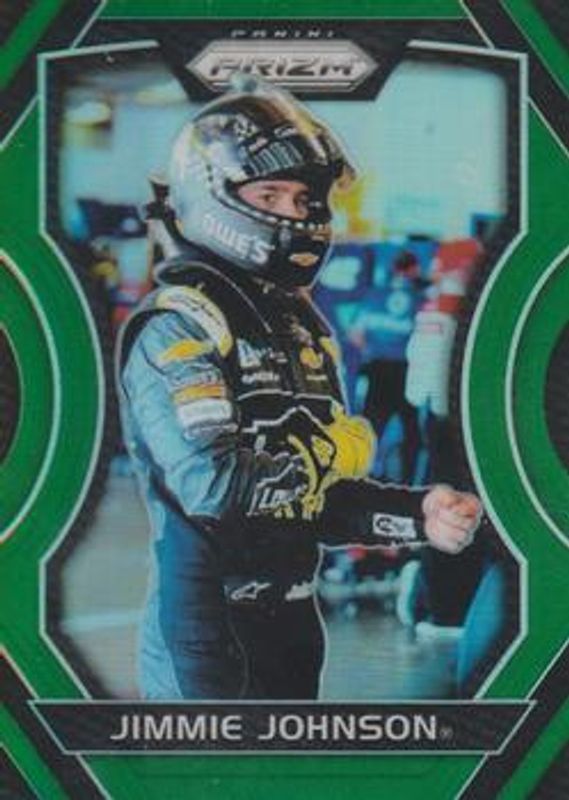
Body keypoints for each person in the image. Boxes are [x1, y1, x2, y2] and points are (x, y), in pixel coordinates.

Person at [116, 76, 481, 700]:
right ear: (211, 192)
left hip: (294, 628)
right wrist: (331, 450)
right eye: (271, 193)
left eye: (305, 197)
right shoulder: (179, 322)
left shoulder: (299, 328)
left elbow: (318, 503)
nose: (294, 213)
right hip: (206, 638)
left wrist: (416, 514)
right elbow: (215, 486)